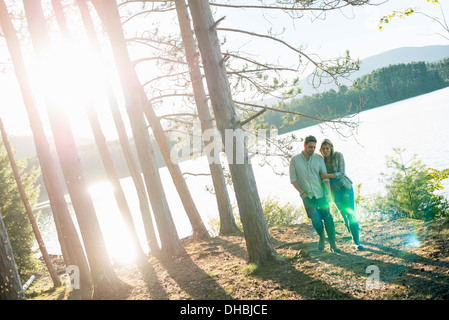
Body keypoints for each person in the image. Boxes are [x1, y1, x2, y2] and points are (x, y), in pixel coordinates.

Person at [290, 135, 341, 253]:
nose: (312, 149)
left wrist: (328, 194)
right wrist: (302, 193)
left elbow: (325, 178)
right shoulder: (295, 160)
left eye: (314, 147)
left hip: (321, 194)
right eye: (310, 147)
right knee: (316, 220)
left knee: (328, 218)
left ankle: (333, 245)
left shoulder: (319, 159)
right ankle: (322, 238)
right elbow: (293, 179)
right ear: (304, 145)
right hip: (307, 197)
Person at [319, 139, 363, 250]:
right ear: (321, 150)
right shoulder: (321, 161)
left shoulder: (338, 155)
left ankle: (356, 242)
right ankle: (352, 232)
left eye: (327, 148)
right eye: (323, 149)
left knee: (351, 214)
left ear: (331, 148)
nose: (325, 151)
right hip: (334, 192)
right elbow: (320, 176)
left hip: (345, 187)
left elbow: (341, 173)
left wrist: (327, 176)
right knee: (344, 215)